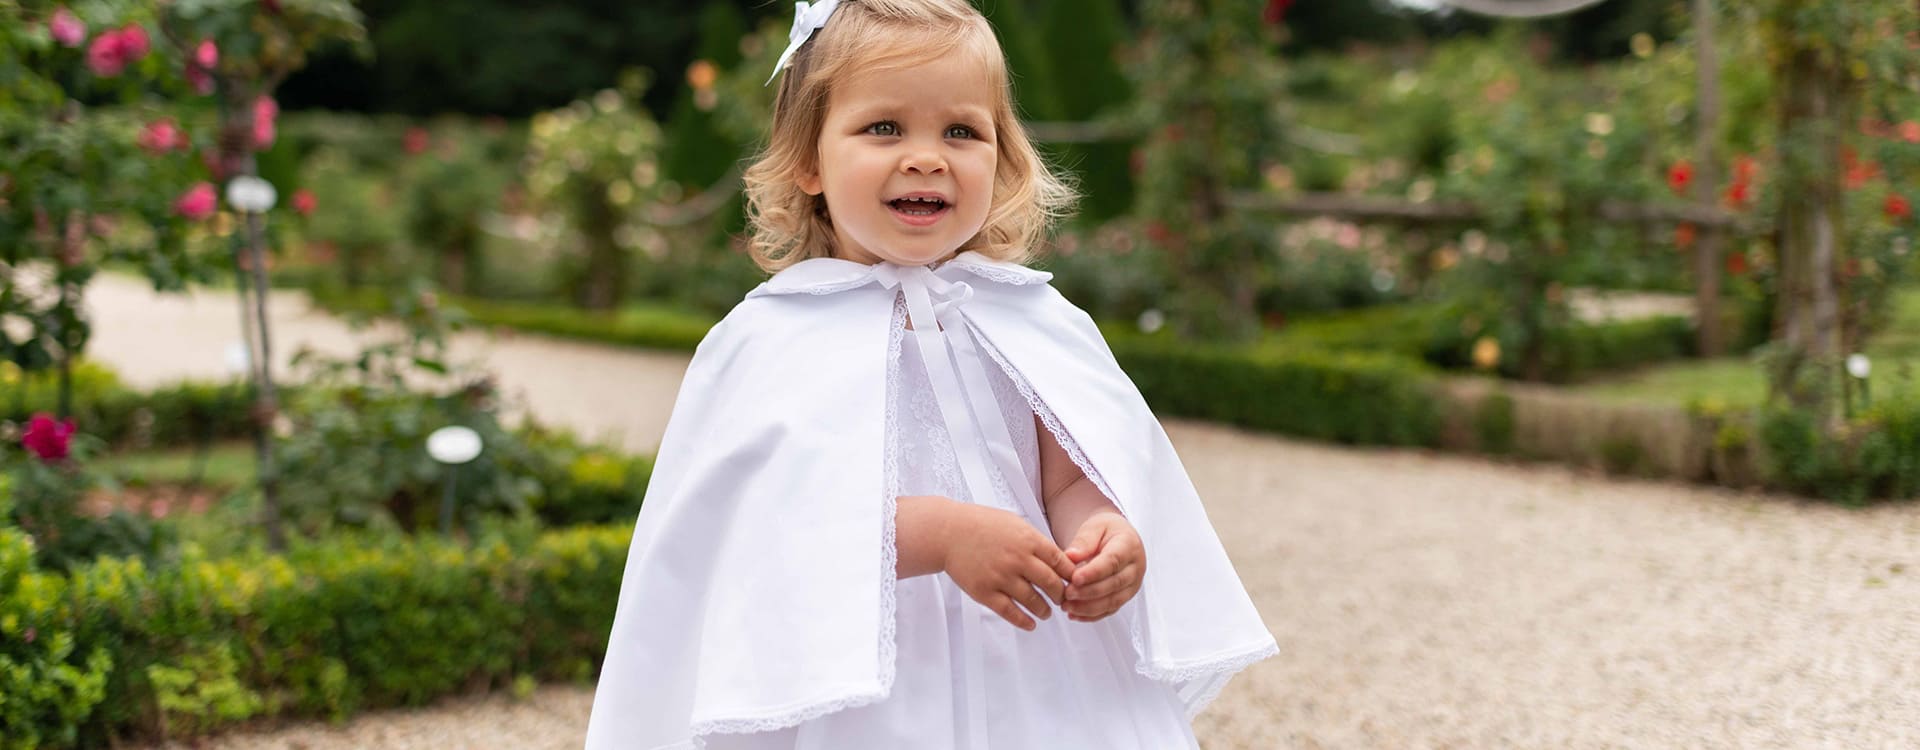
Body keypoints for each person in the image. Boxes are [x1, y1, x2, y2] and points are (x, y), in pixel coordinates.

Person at [584, 1, 1275, 747]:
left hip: (1040, 662)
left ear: (1003, 158)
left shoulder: (1033, 318)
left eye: (962, 131)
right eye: (884, 127)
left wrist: (1100, 529)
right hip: (867, 689)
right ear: (809, 160)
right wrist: (940, 535)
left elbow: (1065, 474)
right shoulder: (769, 340)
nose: (927, 156)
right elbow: (761, 529)